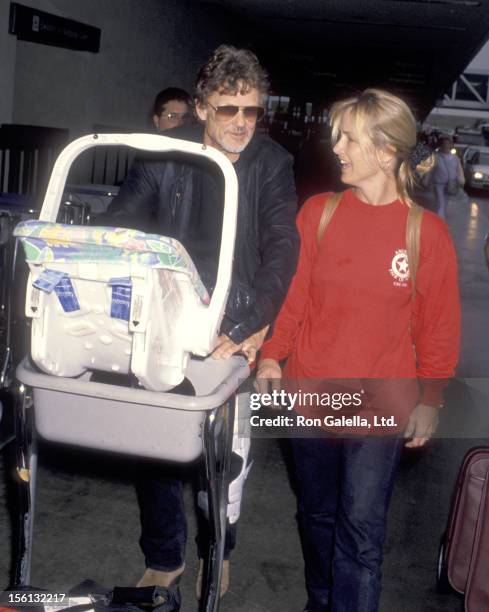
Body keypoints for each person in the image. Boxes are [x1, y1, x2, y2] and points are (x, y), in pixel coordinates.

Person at [105, 45, 299, 603]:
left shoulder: (271, 164)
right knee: (154, 446)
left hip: (234, 325)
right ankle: (164, 559)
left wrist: (255, 320)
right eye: (228, 109)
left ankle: (219, 551)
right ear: (201, 107)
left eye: (252, 111)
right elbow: (122, 223)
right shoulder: (165, 156)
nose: (242, 122)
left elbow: (282, 244)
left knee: (226, 459)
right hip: (166, 321)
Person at [256, 88, 461, 612]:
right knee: (317, 515)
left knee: (361, 531)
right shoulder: (319, 214)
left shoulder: (425, 234)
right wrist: (272, 357)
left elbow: (438, 324)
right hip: (310, 396)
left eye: (349, 138)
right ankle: (321, 602)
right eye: (338, 137)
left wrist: (430, 398)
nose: (338, 148)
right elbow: (294, 298)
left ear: (387, 151)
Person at [432, 136, 465, 219]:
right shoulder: (436, 157)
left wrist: (461, 179)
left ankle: (440, 219)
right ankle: (440, 221)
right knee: (441, 203)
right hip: (439, 184)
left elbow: (459, 170)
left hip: (450, 185)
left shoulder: (455, 158)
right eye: (445, 144)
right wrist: (425, 179)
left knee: (445, 203)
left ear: (451, 145)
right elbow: (430, 170)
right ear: (442, 145)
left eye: (448, 144)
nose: (446, 145)